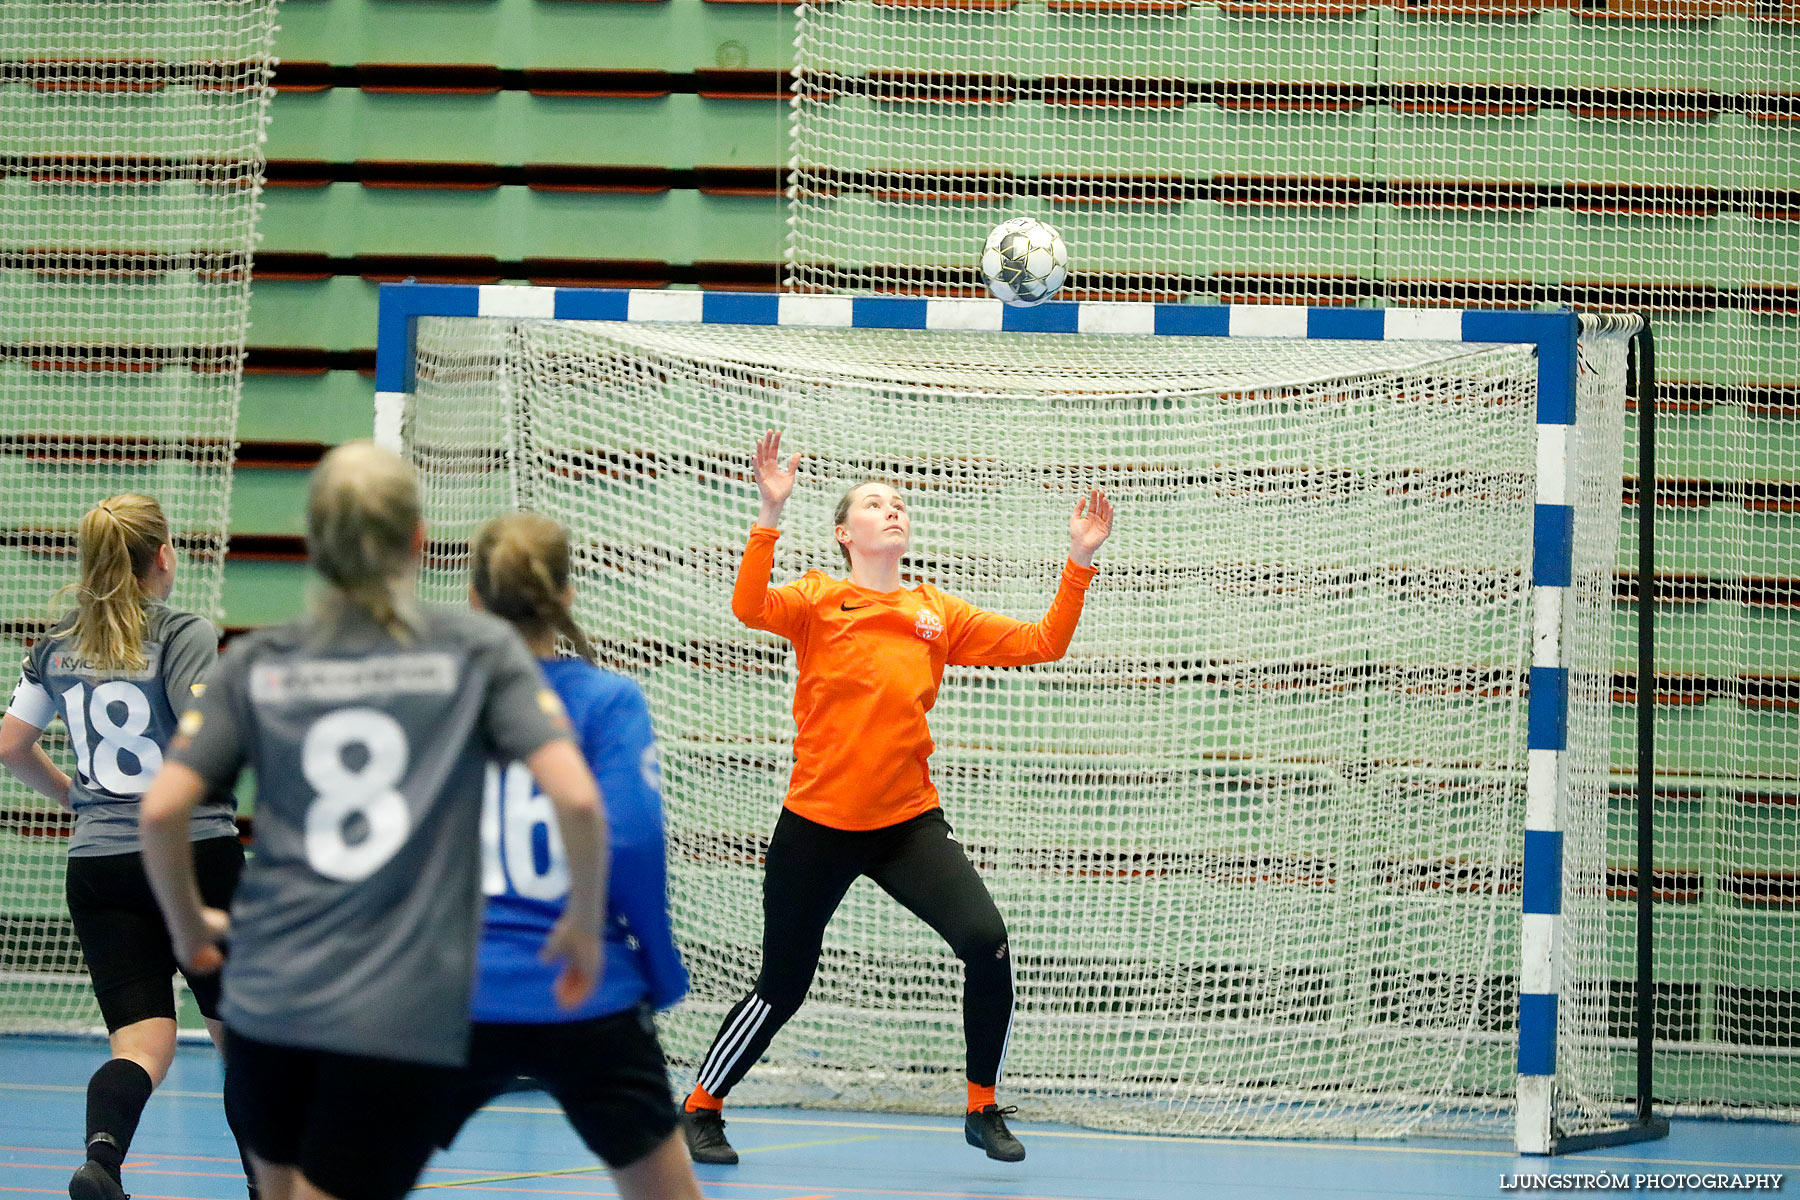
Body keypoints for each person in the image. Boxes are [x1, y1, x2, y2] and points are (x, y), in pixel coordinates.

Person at [138, 443, 608, 1200]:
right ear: (420, 539)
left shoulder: (256, 662)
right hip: (396, 1000)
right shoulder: (477, 649)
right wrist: (582, 922)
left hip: (268, 994)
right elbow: (578, 799)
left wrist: (189, 928)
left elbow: (161, 809)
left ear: (311, 542)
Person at [681, 430, 1114, 1166]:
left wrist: (1078, 563)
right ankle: (702, 1105)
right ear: (846, 533)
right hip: (817, 823)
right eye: (875, 504)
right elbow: (749, 607)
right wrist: (769, 512)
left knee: (986, 941)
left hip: (908, 821)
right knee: (782, 983)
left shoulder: (935, 612)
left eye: (900, 503)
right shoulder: (818, 598)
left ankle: (982, 1106)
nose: (893, 510)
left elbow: (1044, 642)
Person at [434, 512, 701, 1200]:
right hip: (586, 993)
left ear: (472, 598)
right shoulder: (607, 701)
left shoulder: (432, 699)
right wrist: (661, 970)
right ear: (565, 596)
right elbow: (633, 842)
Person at [0, 493, 259, 1200]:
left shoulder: (54, 647)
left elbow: (11, 745)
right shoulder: (183, 634)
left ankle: (102, 1160)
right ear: (163, 557)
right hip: (192, 854)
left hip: (98, 864)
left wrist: (77, 799)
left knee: (141, 1046)